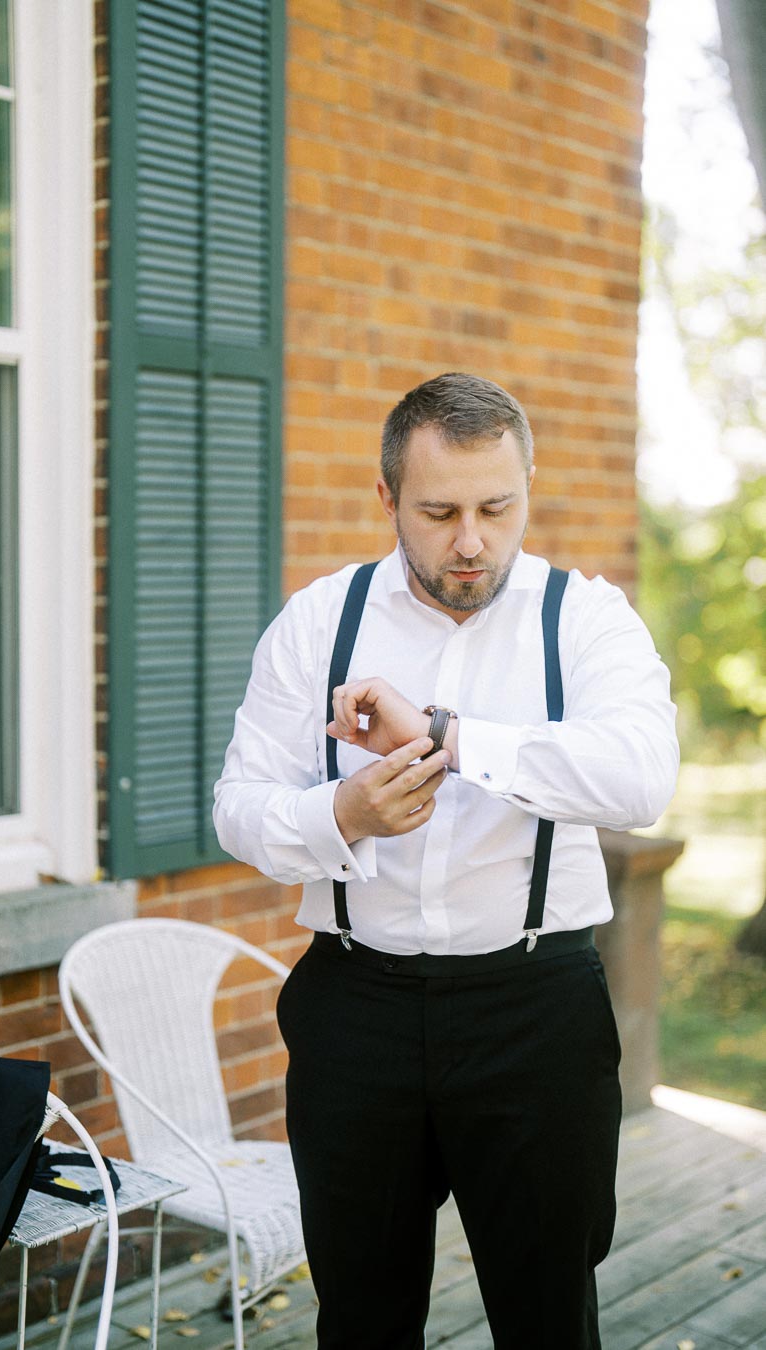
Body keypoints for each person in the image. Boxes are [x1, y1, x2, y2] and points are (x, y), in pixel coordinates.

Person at [213, 372, 679, 1350]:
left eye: (496, 507)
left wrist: (448, 735)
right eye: (439, 511)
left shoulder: (584, 621)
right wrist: (341, 811)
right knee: (363, 1315)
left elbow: (639, 781)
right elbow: (239, 811)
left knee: (547, 1314)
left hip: (536, 1016)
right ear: (388, 500)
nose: (471, 539)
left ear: (527, 489)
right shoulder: (319, 622)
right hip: (356, 1010)